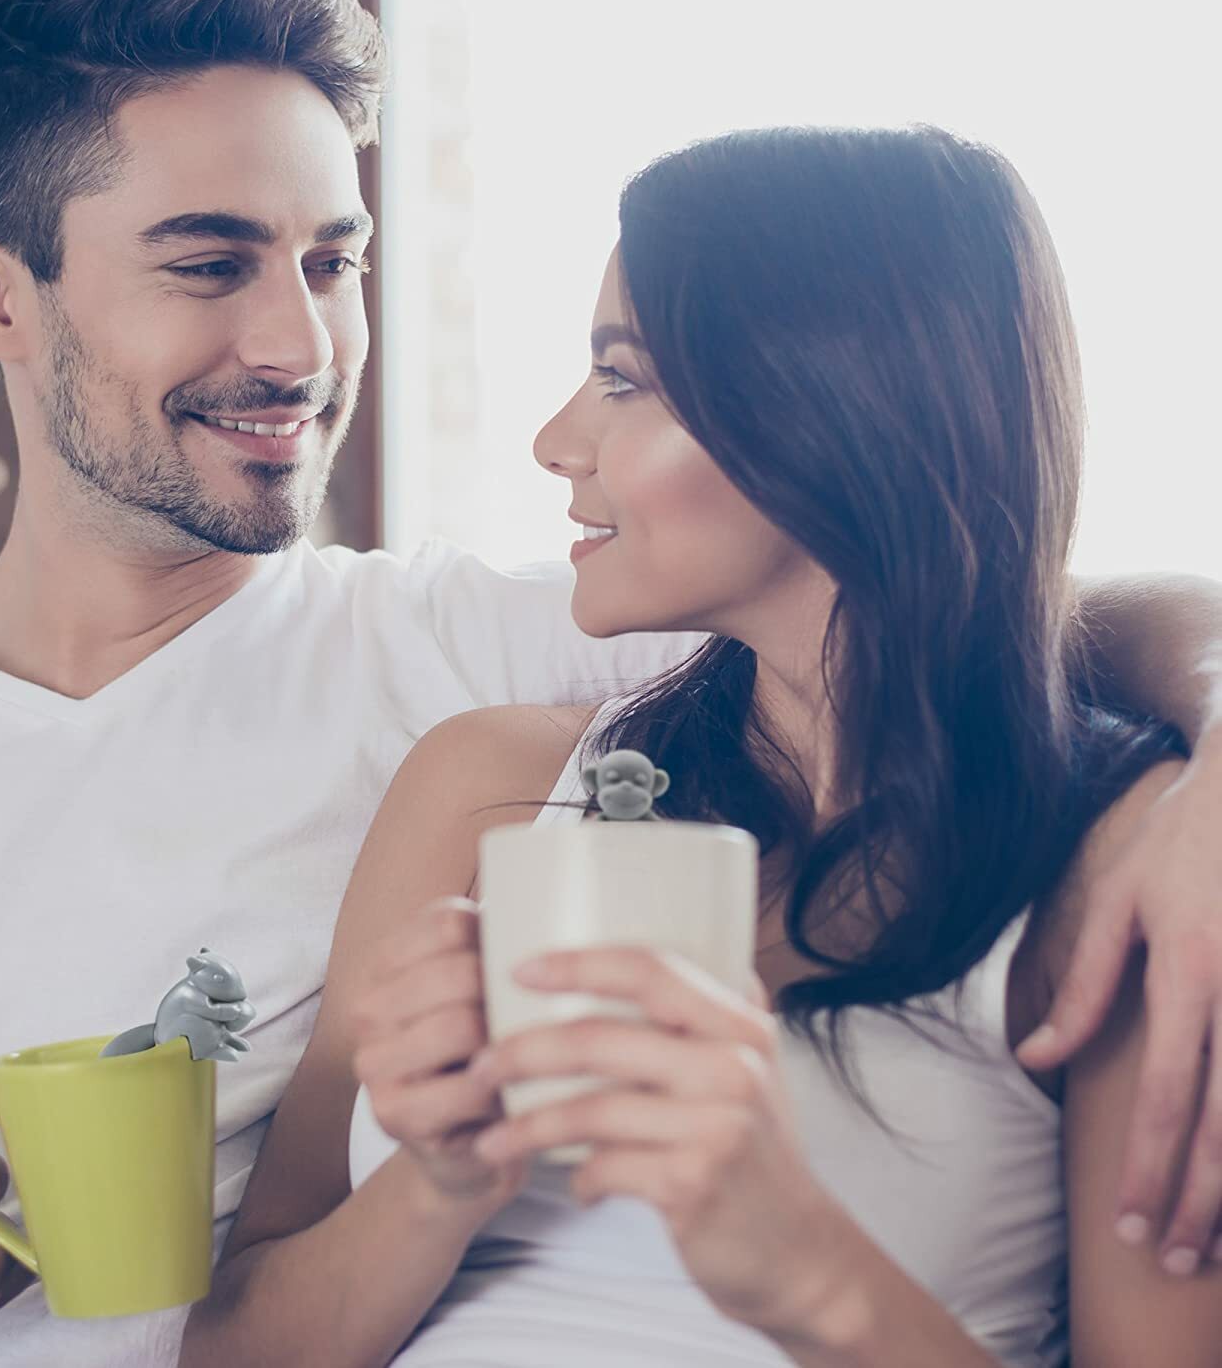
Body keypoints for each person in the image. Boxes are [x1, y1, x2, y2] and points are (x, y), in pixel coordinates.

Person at [0, 0, 1218, 1368]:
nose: (302, 347)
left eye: (333, 260)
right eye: (208, 264)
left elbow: (942, 588)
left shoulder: (495, 654)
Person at [179, 127, 1222, 1367]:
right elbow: (231, 1348)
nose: (556, 440)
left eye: (623, 380)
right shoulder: (490, 793)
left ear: (829, 411)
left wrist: (798, 1264)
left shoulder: (1134, 869)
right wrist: (441, 1183)